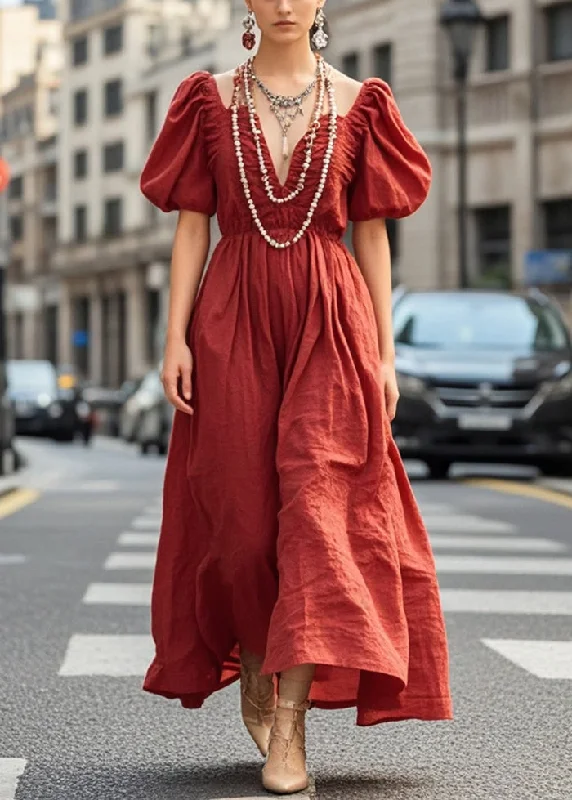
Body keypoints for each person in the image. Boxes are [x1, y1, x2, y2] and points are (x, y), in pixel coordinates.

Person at [139, 0, 453, 794]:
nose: (283, 3)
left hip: (332, 324)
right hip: (231, 320)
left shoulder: (361, 102)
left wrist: (384, 354)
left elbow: (374, 233)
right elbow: (192, 226)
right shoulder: (207, 99)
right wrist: (173, 339)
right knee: (241, 526)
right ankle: (254, 656)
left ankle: (291, 723)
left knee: (318, 517)